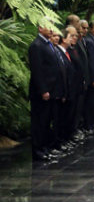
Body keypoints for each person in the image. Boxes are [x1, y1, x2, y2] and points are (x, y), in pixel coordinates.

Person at [28, 21, 63, 161]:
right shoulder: (36, 45)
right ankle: (38, 150)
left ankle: (45, 148)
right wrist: (43, 90)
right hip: (41, 92)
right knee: (39, 122)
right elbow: (37, 70)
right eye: (48, 26)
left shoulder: (47, 44)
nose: (51, 29)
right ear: (40, 28)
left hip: (52, 91)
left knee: (46, 121)